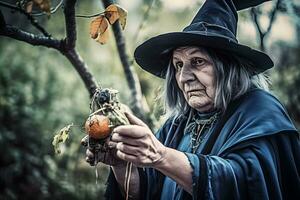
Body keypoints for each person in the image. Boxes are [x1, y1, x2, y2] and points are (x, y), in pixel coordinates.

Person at [82, 0, 300, 199]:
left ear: (229, 68)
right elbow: (149, 191)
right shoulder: (178, 124)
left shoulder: (261, 112)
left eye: (197, 61)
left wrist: (160, 155)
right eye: (178, 65)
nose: (184, 77)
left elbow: (244, 183)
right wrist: (122, 164)